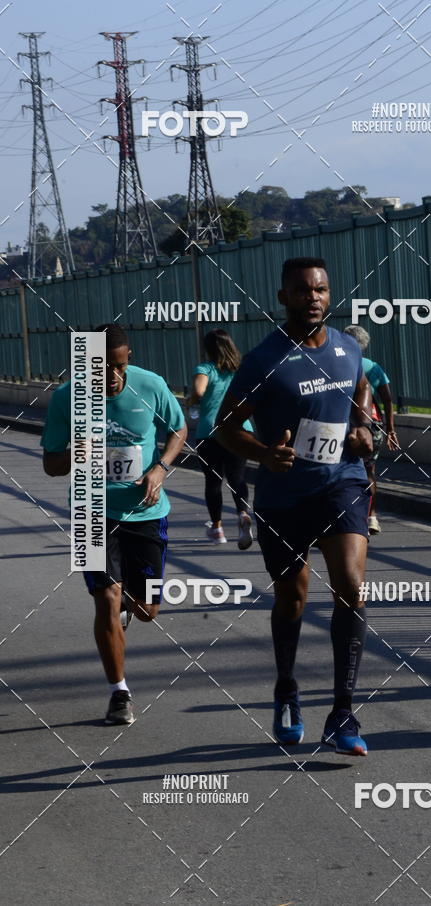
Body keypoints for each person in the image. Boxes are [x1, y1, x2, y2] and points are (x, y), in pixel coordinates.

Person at [217, 256, 373, 756]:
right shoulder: (264, 360)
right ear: (283, 297)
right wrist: (265, 454)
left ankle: (343, 714)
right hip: (284, 496)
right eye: (303, 290)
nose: (314, 298)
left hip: (342, 482)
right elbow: (225, 427)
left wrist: (363, 426)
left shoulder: (348, 348)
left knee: (351, 586)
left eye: (321, 289)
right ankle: (287, 691)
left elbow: (360, 390)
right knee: (292, 598)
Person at [41, 324, 187, 725]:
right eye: (101, 368)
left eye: (119, 366)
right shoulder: (67, 397)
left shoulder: (151, 385)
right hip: (89, 511)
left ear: (128, 357)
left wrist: (160, 468)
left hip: (145, 513)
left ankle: (128, 606)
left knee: (147, 610)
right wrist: (77, 454)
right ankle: (119, 693)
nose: (111, 377)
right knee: (106, 598)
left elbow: (178, 429)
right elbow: (51, 464)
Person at [187, 329, 253, 549]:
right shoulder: (241, 370)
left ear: (208, 349)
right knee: (237, 477)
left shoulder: (205, 369)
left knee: (213, 481)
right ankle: (243, 513)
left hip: (210, 431)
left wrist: (190, 401)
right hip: (240, 429)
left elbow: (198, 391)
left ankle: (217, 529)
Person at [344, 324, 398, 534]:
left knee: (343, 474)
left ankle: (349, 517)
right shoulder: (372, 367)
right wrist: (390, 429)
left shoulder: (336, 364)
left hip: (343, 427)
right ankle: (371, 516)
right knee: (369, 472)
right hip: (370, 427)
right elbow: (387, 399)